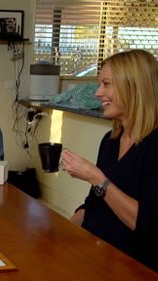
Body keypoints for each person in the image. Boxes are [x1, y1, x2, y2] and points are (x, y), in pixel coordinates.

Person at [61, 50, 158, 272]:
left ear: (134, 87)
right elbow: (94, 205)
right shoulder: (111, 140)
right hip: (97, 254)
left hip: (134, 266)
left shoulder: (154, 146)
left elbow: (146, 224)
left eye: (106, 84)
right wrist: (63, 229)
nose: (97, 93)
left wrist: (97, 178)